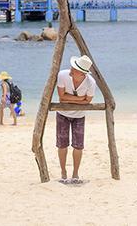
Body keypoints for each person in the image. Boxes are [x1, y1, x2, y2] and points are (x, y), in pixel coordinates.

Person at [56, 55, 97, 184]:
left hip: (79, 116)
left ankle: (75, 174)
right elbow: (61, 97)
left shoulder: (91, 83)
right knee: (62, 145)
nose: (71, 69)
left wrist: (73, 99)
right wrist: (80, 99)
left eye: (74, 68)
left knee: (78, 146)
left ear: (82, 73)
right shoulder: (62, 75)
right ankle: (63, 173)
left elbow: (88, 101)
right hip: (62, 113)